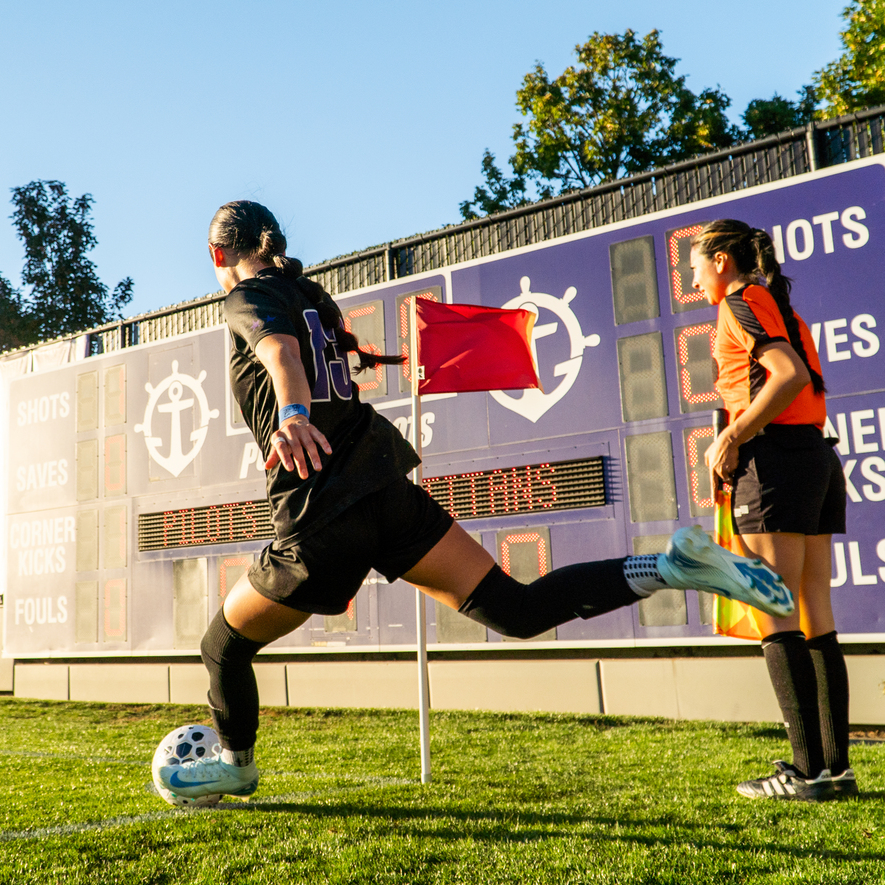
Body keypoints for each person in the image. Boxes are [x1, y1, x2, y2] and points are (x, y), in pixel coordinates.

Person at [157, 201, 792, 802]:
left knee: (224, 646)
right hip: (385, 491)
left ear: (218, 254)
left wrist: (293, 413)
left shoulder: (248, 296)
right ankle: (669, 567)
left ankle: (235, 768)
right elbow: (319, 354)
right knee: (516, 608)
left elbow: (278, 351)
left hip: (322, 509)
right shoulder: (309, 296)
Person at [691, 219, 854, 802]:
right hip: (814, 458)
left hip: (777, 463)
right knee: (816, 614)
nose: (693, 276)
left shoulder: (740, 302)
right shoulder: (779, 305)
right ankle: (834, 768)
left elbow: (783, 376)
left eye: (696, 264)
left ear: (721, 261)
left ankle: (805, 772)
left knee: (776, 611)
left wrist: (731, 436)